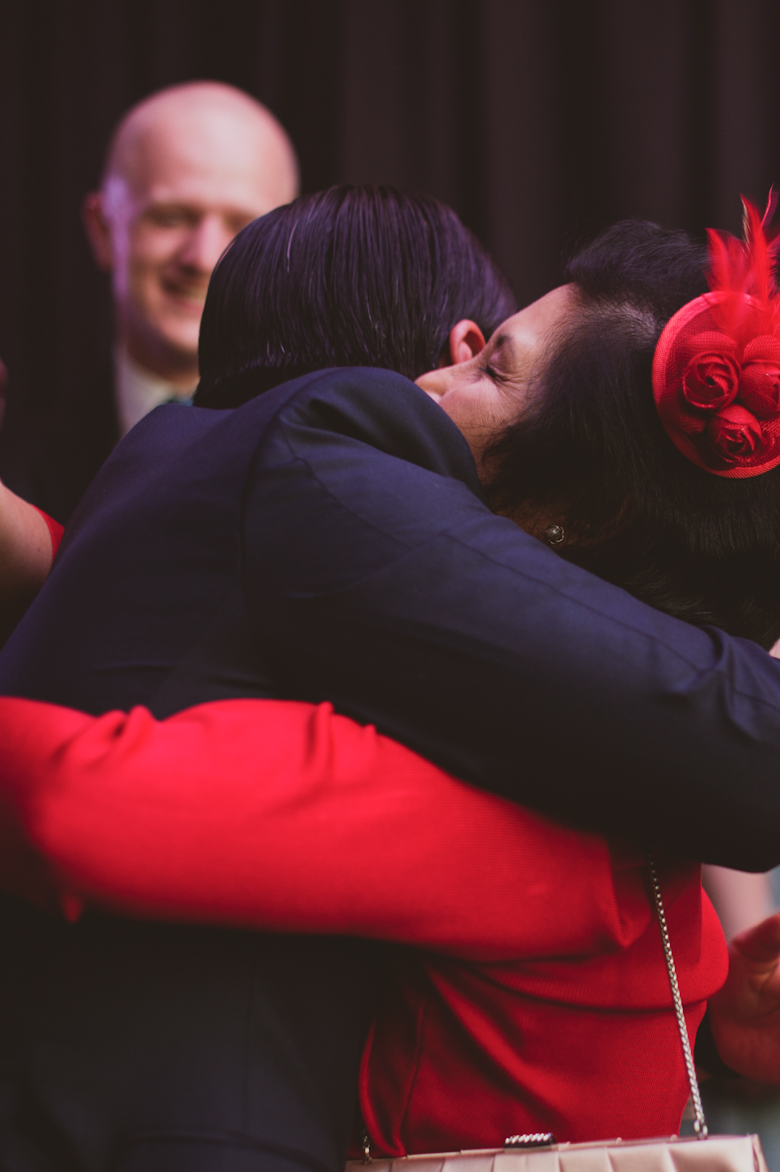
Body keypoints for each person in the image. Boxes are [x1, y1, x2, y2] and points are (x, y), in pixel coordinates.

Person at [3, 194, 780, 1155]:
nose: (428, 375)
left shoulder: (494, 819)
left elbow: (73, 804)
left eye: (488, 364)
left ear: (568, 510)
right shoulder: (652, 829)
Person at [0, 81, 299, 523]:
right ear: (103, 230)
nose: (202, 258)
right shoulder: (18, 473)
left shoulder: (343, 455)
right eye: (171, 218)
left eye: (243, 227)